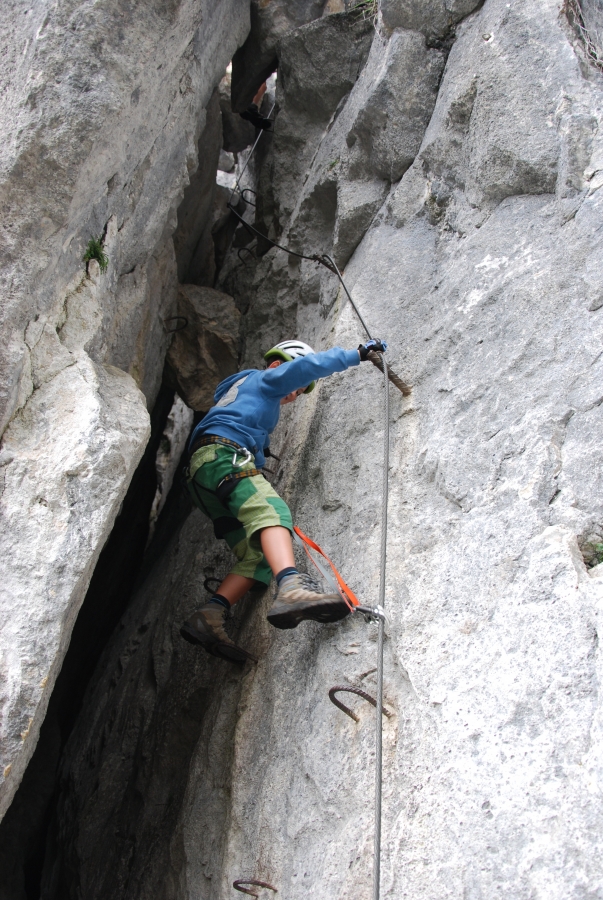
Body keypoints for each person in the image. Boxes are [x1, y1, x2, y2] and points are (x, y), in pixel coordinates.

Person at [180, 338, 387, 663]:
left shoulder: (240, 397)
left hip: (203, 478)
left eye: (301, 392)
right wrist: (356, 355)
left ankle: (210, 614)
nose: (295, 393)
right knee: (272, 511)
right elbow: (305, 367)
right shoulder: (264, 379)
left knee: (258, 556)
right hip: (223, 456)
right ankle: (291, 586)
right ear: (277, 365)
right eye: (296, 385)